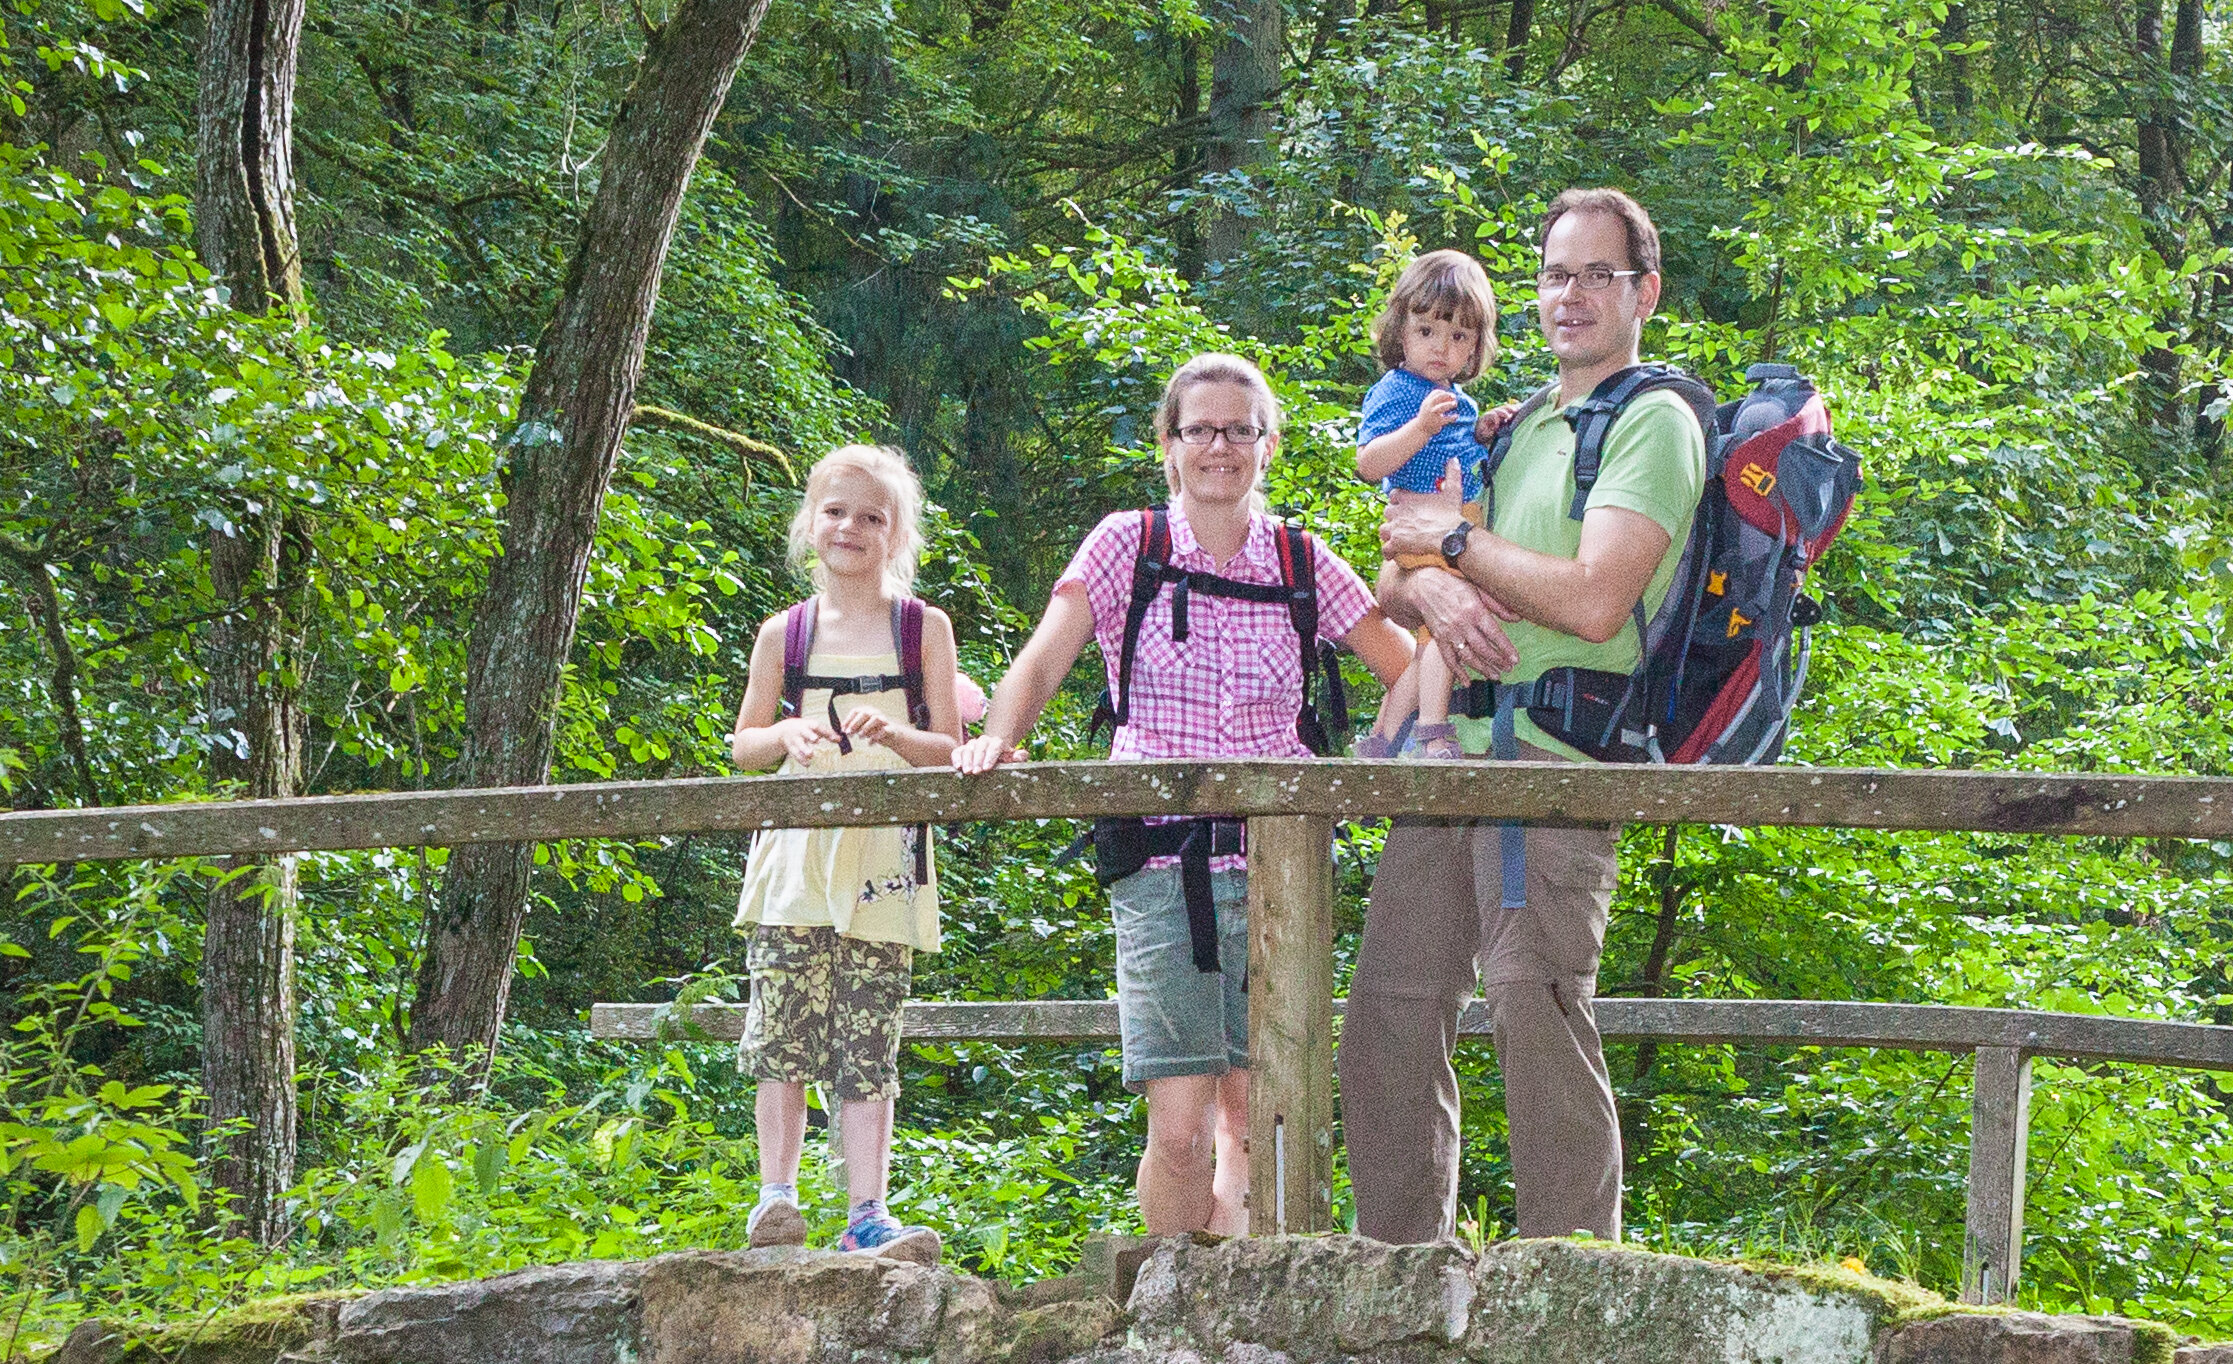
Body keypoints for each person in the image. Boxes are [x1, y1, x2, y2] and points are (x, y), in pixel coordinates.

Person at [955, 353, 1418, 1240]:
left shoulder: (1300, 559)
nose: (1219, 447)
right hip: (1158, 861)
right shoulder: (1127, 544)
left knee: (1259, 1116)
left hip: (1280, 867)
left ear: (1267, 445)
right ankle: (1167, 1306)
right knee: (1179, 1131)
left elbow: (1405, 665)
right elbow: (1047, 658)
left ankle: (1242, 1308)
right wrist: (997, 738)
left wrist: (1363, 764)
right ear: (1168, 445)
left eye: (1239, 430)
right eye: (1199, 429)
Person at [1348, 188, 1702, 1245]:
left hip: (1560, 754)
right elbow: (1395, 561)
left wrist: (1456, 552)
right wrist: (1436, 586)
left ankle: (1568, 1282)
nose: (1571, 294)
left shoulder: (1655, 422)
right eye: (1555, 274)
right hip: (1447, 740)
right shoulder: (1513, 425)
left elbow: (1598, 596)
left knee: (1532, 1004)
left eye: (1597, 274)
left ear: (1645, 291)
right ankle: (1399, 1274)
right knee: (1389, 1010)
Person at [724, 444, 969, 1264]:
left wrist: (896, 734)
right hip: (793, 869)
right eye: (836, 512)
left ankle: (868, 1212)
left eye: (871, 516)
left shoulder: (922, 628)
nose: (851, 528)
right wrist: (786, 732)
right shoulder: (782, 634)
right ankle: (777, 1199)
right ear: (810, 523)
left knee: (869, 1041)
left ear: (897, 533)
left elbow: (952, 748)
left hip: (886, 869)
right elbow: (744, 745)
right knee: (781, 1035)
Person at [1350, 248, 1502, 759]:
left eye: (1459, 336)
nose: (1442, 347)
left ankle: (1380, 739)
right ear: (1401, 332)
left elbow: (1465, 456)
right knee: (1441, 634)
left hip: (1459, 524)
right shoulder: (1397, 391)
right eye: (1428, 331)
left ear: (1476, 347)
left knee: (1424, 645)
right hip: (1420, 521)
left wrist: (1482, 430)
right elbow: (1370, 463)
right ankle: (1434, 730)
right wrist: (1419, 428)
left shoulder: (1460, 399)